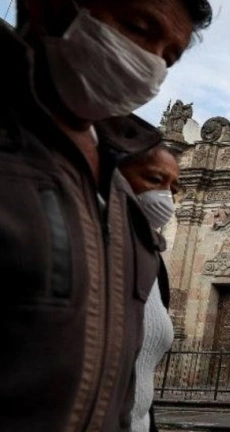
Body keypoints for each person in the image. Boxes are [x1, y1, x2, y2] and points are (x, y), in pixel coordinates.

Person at [0, 1, 211, 431]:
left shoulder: (121, 192)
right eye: (138, 27)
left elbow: (123, 383)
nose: (150, 63)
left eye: (169, 57)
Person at [119, 144, 180, 432]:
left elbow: (143, 385)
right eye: (156, 180)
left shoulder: (155, 266)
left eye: (174, 189)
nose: (166, 196)